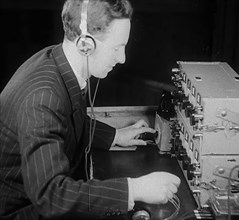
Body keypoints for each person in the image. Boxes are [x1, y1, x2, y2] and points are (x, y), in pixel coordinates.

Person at [0, 0, 180, 219]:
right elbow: (50, 195)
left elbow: (65, 120)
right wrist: (135, 189)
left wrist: (114, 135)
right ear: (85, 45)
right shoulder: (43, 98)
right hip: (20, 210)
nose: (122, 58)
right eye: (117, 48)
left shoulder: (56, 59)